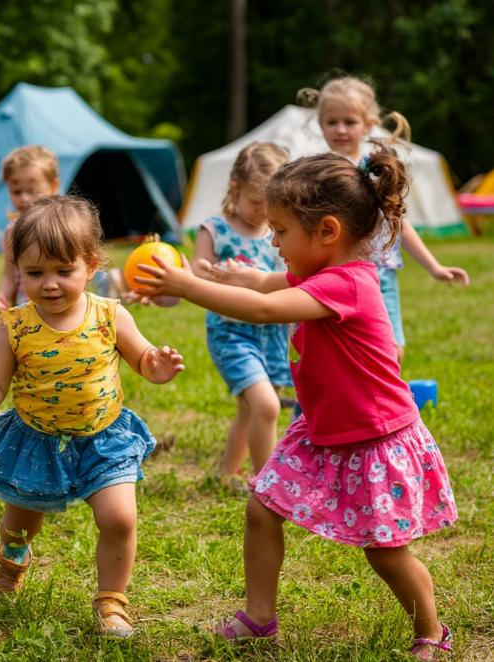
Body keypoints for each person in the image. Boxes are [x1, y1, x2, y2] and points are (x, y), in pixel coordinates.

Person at [141, 146, 457, 658]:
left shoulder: (347, 284)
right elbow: (269, 284)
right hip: (319, 430)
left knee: (386, 553)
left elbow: (267, 308)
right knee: (262, 509)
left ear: (327, 231)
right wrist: (238, 276)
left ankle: (432, 632)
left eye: (281, 231)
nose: (273, 241)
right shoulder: (321, 274)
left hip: (374, 438)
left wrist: (189, 285)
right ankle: (259, 618)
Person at [0, 195, 184, 638]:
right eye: (35, 272)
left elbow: (141, 357)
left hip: (104, 438)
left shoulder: (109, 314)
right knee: (21, 522)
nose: (49, 284)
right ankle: (10, 567)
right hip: (37, 438)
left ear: (92, 265)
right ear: (17, 269)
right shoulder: (16, 324)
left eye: (64, 271)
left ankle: (111, 601)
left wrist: (155, 367)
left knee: (119, 518)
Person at [299, 75, 469, 362]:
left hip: (380, 274)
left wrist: (434, 267)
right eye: (332, 122)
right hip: (332, 274)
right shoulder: (316, 172)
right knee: (332, 350)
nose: (340, 129)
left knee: (391, 351)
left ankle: (380, 404)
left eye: (349, 122)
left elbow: (397, 221)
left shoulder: (377, 171)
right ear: (320, 123)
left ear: (368, 124)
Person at [193, 142, 291, 492]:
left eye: (270, 204)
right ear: (234, 187)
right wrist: (219, 273)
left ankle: (227, 473)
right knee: (266, 405)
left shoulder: (278, 232)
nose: (261, 212)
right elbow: (196, 277)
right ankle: (269, 485)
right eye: (255, 201)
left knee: (251, 410)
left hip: (273, 335)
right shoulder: (215, 229)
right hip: (232, 335)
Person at [0, 145, 60, 310]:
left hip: (60, 304)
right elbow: (9, 273)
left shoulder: (63, 227)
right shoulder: (12, 231)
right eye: (16, 191)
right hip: (26, 308)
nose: (24, 198)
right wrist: (3, 298)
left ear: (53, 187)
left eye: (32, 191)